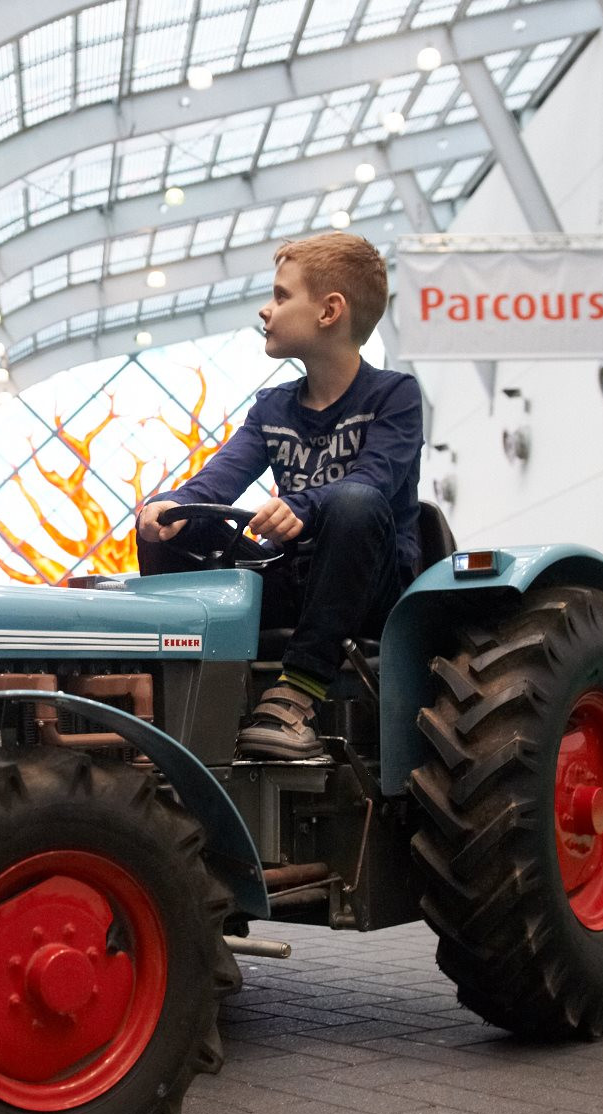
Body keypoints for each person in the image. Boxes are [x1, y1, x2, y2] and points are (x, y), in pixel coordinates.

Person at [137, 232, 422, 760]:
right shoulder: (272, 407)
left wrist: (305, 505)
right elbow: (219, 479)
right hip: (297, 575)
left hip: (374, 585)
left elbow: (376, 480)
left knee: (352, 503)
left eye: (282, 296)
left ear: (329, 311)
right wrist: (169, 506)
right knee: (177, 523)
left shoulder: (394, 396)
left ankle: (299, 692)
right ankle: (172, 681)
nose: (265, 311)